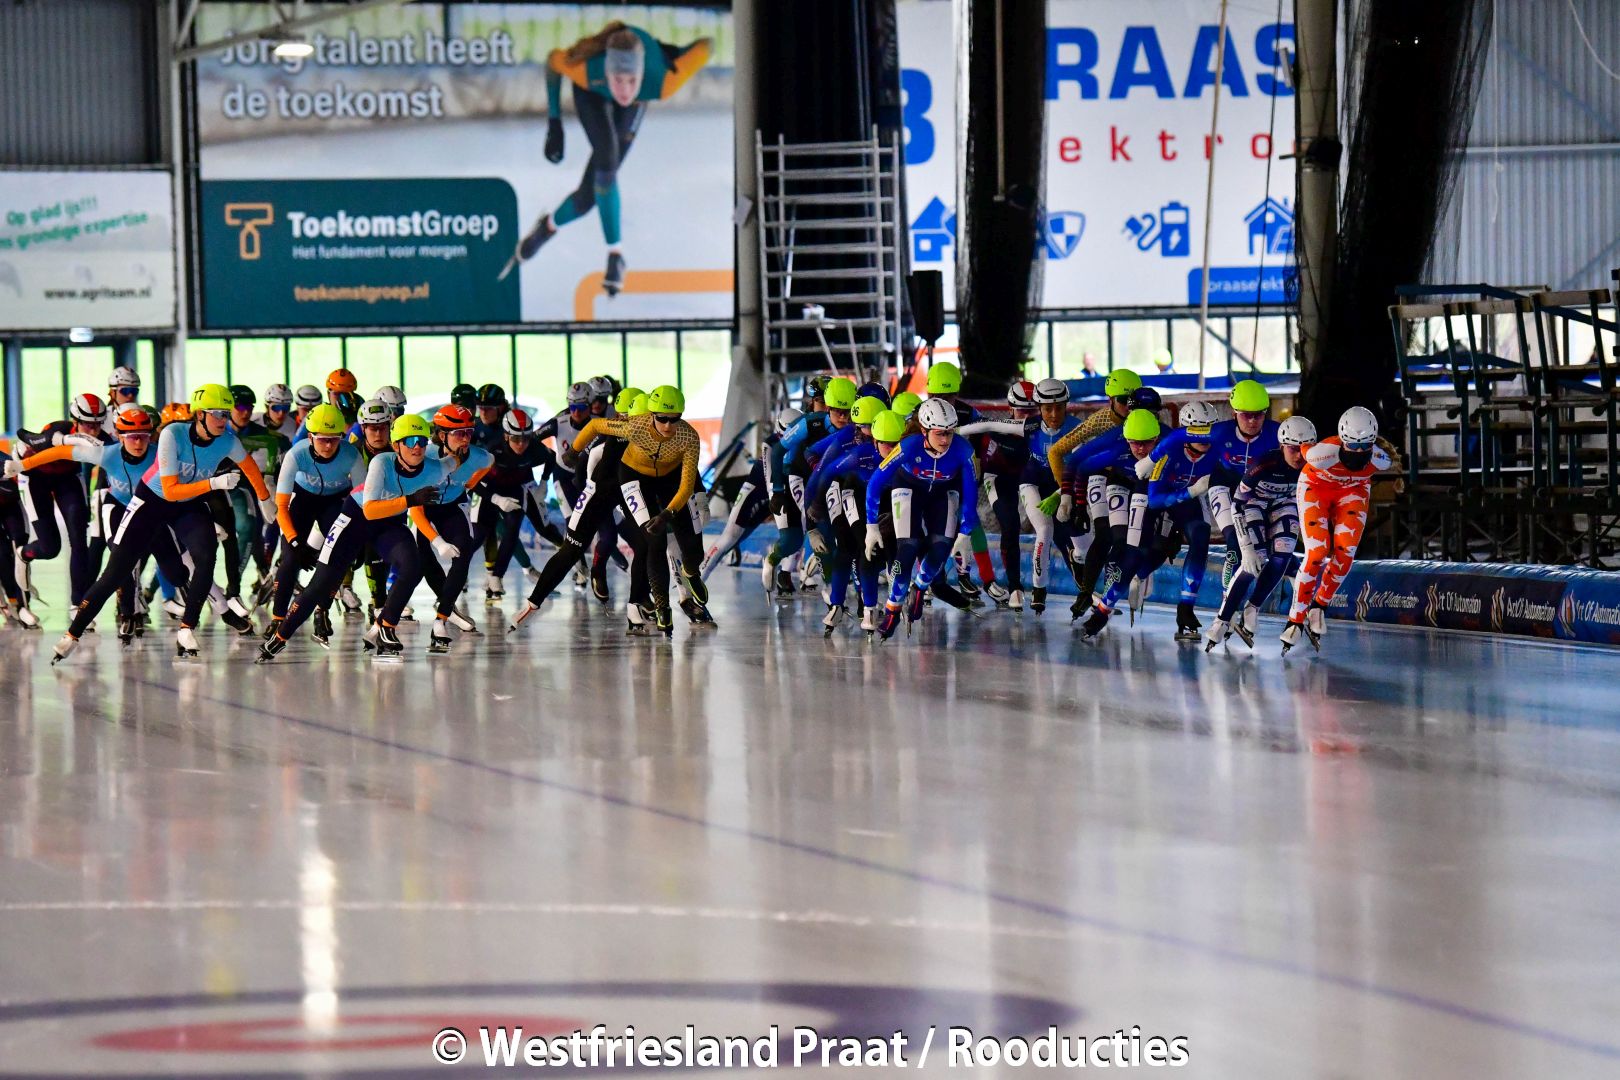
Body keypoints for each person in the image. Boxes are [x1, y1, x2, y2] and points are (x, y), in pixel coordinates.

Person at [48, 385, 271, 663]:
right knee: (116, 571)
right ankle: (72, 634)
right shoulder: (171, 434)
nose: (223, 420)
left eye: (226, 414)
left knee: (204, 556)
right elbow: (170, 490)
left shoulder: (227, 440)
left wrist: (265, 499)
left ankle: (187, 628)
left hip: (188, 503)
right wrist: (213, 482)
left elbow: (249, 466)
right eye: (217, 414)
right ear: (200, 415)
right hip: (153, 500)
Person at [504, 21, 714, 295]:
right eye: (618, 80)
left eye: (631, 81)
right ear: (606, 71)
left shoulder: (663, 82)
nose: (624, 90)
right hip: (592, 94)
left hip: (640, 94)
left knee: (588, 198)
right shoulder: (587, 70)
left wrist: (677, 52)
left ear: (642, 76)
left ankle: (547, 227)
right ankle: (616, 254)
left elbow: (706, 46)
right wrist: (554, 122)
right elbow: (553, 62)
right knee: (607, 159)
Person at [511, 385, 706, 637]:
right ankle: (536, 600)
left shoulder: (661, 433)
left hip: (630, 490)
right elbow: (587, 460)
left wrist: (694, 499)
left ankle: (638, 602)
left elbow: (683, 468)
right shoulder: (629, 429)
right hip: (601, 493)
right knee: (575, 548)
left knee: (648, 543)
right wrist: (579, 474)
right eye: (629, 418)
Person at [259, 414, 448, 664]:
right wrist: (294, 541)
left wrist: (461, 442)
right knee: (321, 583)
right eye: (411, 441)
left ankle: (385, 626)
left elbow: (466, 460)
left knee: (412, 567)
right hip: (356, 517)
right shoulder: (381, 462)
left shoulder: (435, 467)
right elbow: (369, 510)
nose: (417, 447)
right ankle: (280, 636)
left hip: (389, 521)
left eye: (422, 441)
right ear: (396, 445)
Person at [865, 398, 979, 640]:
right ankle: (892, 609)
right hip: (908, 490)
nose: (946, 440)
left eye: (950, 433)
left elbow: (971, 494)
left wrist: (966, 531)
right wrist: (871, 526)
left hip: (941, 494)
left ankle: (919, 587)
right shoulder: (909, 446)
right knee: (907, 549)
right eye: (940, 434)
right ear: (925, 431)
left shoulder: (963, 450)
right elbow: (875, 482)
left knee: (940, 548)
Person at [1282, 406, 1392, 654]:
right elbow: (1299, 445)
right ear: (1342, 441)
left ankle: (1320, 605)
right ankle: (1295, 618)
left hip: (1353, 491)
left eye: (1366, 446)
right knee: (1317, 552)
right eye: (1353, 446)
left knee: (1346, 553)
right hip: (1315, 488)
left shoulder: (1380, 460)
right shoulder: (1320, 455)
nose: (1360, 451)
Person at [1206, 415, 1316, 650]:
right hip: (1252, 504)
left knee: (1284, 554)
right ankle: (1222, 618)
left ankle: (1253, 607)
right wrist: (1246, 548)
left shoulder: (1314, 467)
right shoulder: (1263, 464)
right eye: (1293, 449)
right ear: (1281, 446)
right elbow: (1237, 505)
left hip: (1284, 503)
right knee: (1253, 562)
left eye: (1305, 450)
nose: (1299, 456)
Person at [263, 403, 367, 646]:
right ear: (310, 437)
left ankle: (323, 608)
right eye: (322, 440)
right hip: (303, 500)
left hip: (335, 501)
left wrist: (359, 540)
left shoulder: (351, 455)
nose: (329, 446)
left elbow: (363, 503)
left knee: (338, 556)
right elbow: (281, 506)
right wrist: (295, 541)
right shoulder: (296, 454)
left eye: (334, 439)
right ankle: (279, 617)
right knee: (289, 558)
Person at [11, 392, 110, 607]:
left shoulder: (103, 438)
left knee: (79, 538)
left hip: (67, 478)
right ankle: (24, 553)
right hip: (35, 479)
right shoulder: (58, 430)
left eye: (97, 424)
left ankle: (77, 604)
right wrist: (59, 441)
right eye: (87, 425)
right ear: (75, 422)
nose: (93, 430)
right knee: (50, 548)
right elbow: (22, 433)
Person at [418, 405, 492, 653]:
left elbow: (487, 464)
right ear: (441, 435)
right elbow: (414, 510)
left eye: (469, 432)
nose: (465, 439)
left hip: (453, 506)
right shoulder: (425, 455)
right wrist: (436, 540)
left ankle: (440, 618)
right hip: (423, 507)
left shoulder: (481, 457)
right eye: (459, 433)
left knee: (463, 554)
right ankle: (449, 607)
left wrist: (468, 484)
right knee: (424, 560)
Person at [1204, 380, 1280, 588]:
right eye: (1247, 414)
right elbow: (1177, 438)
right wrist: (1152, 459)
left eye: (1259, 414)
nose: (1253, 421)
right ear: (1234, 413)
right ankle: (1227, 603)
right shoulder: (1220, 431)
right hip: (1224, 486)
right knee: (1234, 546)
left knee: (1266, 548)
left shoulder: (1278, 432)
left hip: (1255, 492)